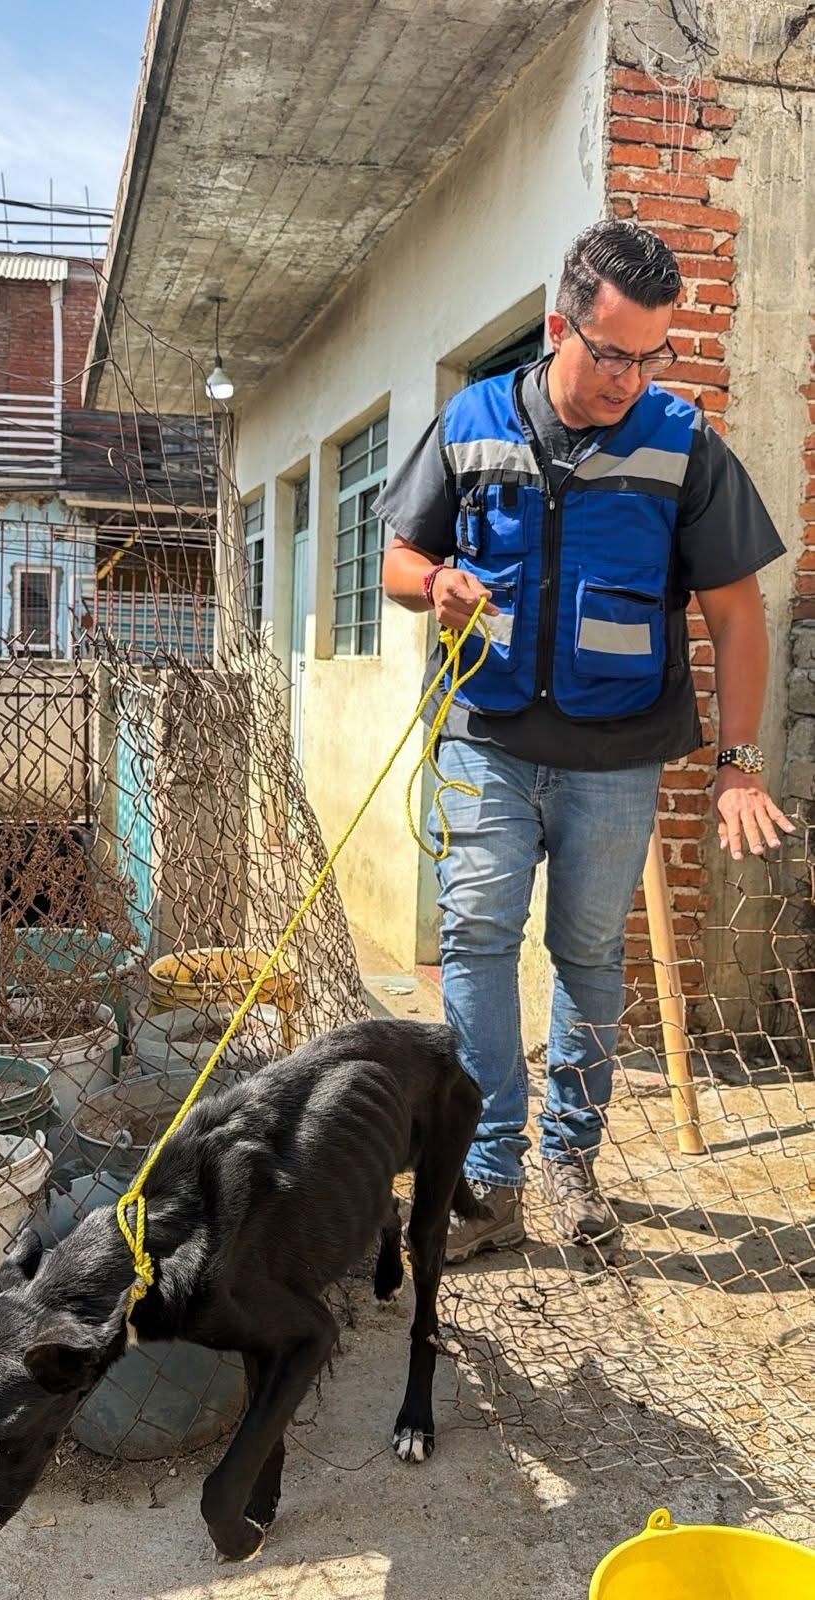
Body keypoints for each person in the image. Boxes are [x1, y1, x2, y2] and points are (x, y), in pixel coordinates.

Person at [377, 220, 793, 1263]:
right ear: (560, 327)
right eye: (612, 353)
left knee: (589, 954)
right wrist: (438, 582)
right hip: (485, 737)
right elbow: (396, 560)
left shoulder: (681, 442)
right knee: (476, 940)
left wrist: (738, 762)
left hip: (615, 754)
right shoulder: (471, 420)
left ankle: (571, 1159)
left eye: (653, 356)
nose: (630, 379)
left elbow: (738, 615)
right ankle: (491, 1174)